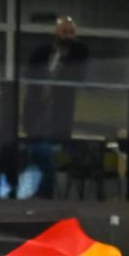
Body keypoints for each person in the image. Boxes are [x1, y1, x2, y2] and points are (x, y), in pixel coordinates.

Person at [19, 16, 88, 199]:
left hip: (59, 116)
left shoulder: (78, 54)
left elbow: (80, 76)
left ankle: (44, 194)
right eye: (64, 32)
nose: (67, 36)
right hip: (37, 112)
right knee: (34, 151)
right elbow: (29, 74)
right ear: (56, 33)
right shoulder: (42, 52)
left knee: (44, 152)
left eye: (71, 32)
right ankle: (37, 192)